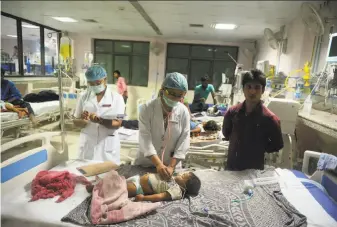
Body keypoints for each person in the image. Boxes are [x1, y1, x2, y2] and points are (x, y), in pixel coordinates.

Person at [222, 69, 284, 171]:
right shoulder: (232, 113)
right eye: (249, 87)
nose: (252, 91)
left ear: (263, 90)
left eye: (257, 87)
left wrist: (259, 147)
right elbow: (226, 133)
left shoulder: (270, 119)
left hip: (254, 171)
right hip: (232, 168)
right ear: (243, 88)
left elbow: (277, 144)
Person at [134, 72, 190, 180]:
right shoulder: (147, 109)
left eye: (179, 95)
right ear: (162, 90)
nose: (175, 98)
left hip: (171, 168)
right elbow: (145, 139)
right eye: (172, 93)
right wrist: (158, 164)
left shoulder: (183, 112)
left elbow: (184, 140)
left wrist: (171, 166)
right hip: (146, 164)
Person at [73, 65, 125, 163]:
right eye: (91, 83)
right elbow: (75, 122)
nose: (94, 86)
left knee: (109, 176)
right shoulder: (83, 97)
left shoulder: (118, 98)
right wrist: (83, 121)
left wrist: (99, 120)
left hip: (108, 149)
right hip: (87, 147)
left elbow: (118, 123)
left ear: (105, 79)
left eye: (98, 82)